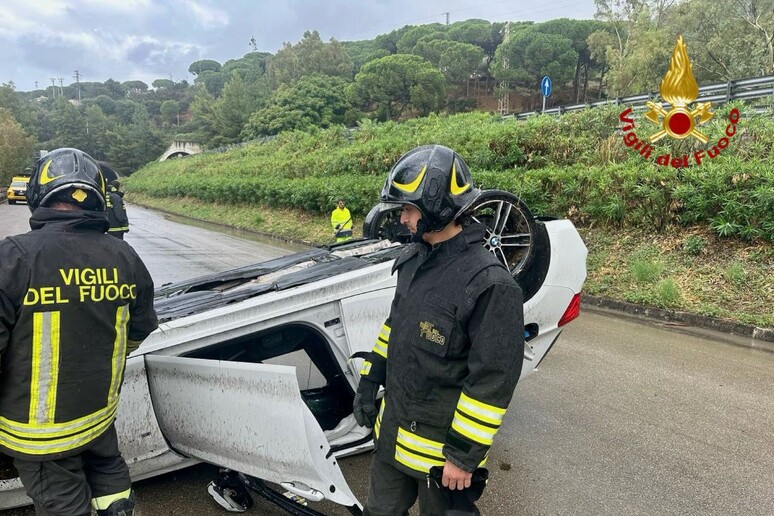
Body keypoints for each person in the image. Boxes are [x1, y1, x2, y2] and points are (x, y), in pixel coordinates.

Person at [352, 145, 525, 516]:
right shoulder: (414, 260)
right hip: (391, 435)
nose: (403, 219)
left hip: (440, 460)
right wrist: (370, 380)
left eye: (409, 209)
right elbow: (394, 328)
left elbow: (492, 380)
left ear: (437, 208)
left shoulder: (490, 284)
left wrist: (462, 456)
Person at [0, 148, 158, 516]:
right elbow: (139, 329)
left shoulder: (14, 257)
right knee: (108, 470)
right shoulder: (125, 256)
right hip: (97, 416)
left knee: (63, 503)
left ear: (38, 194)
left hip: (40, 435)